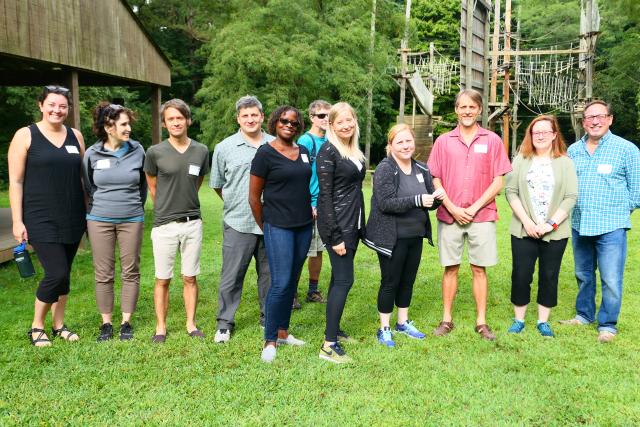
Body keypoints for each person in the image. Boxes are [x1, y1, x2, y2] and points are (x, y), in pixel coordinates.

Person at [427, 89, 512, 341]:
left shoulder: (493, 140)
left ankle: (481, 322)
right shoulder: (443, 141)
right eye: (462, 107)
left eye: (472, 107)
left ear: (480, 110)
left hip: (482, 215)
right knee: (450, 267)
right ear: (456, 110)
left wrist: (473, 208)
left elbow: (499, 181)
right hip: (449, 213)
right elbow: (434, 178)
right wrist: (452, 207)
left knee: (479, 269)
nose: (467, 111)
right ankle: (446, 319)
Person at [8, 85, 86, 346]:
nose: (57, 110)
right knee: (57, 272)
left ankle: (59, 324)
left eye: (63, 106)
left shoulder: (76, 135)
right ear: (41, 105)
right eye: (52, 104)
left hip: (73, 215)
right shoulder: (25, 135)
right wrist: (18, 221)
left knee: (65, 273)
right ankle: (36, 326)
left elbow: (82, 177)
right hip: (40, 217)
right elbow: (16, 182)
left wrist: (87, 213)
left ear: (68, 109)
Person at [561, 100, 640, 343]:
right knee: (583, 274)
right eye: (589, 117)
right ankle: (584, 315)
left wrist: (615, 212)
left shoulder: (627, 149)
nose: (595, 121)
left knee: (610, 278)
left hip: (611, 227)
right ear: (583, 122)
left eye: (600, 116)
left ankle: (607, 325)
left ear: (610, 119)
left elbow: (636, 191)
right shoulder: (574, 150)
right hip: (580, 223)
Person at [364, 124, 444, 348]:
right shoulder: (385, 169)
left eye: (408, 141)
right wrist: (418, 200)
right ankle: (384, 328)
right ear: (390, 146)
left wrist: (436, 197)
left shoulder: (422, 169)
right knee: (390, 282)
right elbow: (385, 203)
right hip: (392, 237)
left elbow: (428, 201)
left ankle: (403, 322)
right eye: (399, 142)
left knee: (408, 281)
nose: (405, 145)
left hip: (415, 235)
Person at [144, 99, 210, 343]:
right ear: (164, 123)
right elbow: (153, 186)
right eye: (170, 119)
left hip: (193, 223)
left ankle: (191, 324)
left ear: (188, 120)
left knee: (190, 277)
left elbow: (197, 181)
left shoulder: (201, 150)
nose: (175, 122)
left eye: (179, 118)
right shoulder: (155, 152)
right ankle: (160, 327)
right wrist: (167, 206)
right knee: (163, 278)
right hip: (164, 224)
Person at [505, 115, 577, 338]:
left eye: (546, 131)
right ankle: (519, 319)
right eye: (536, 132)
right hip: (523, 230)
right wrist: (527, 222)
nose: (541, 136)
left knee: (549, 275)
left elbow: (570, 196)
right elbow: (511, 191)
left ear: (555, 134)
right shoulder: (521, 160)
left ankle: (543, 321)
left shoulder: (565, 162)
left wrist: (549, 225)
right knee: (520, 275)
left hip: (554, 232)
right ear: (530, 135)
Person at [249, 105, 312, 363]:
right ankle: (270, 339)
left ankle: (284, 332)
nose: (289, 125)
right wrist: (267, 227)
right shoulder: (265, 154)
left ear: (299, 127)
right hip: (278, 226)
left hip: (304, 225)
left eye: (294, 123)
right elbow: (254, 198)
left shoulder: (305, 152)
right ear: (275, 123)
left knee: (293, 281)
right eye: (284, 120)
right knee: (280, 282)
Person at [210, 95, 273, 343]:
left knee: (270, 275)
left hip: (271, 222)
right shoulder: (224, 147)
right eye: (245, 115)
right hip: (238, 221)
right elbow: (217, 184)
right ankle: (224, 323)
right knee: (232, 275)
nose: (250, 119)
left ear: (262, 117)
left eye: (254, 114)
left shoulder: (274, 144)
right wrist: (235, 201)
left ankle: (269, 318)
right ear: (238, 118)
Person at [83, 102, 147, 342]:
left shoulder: (138, 150)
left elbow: (142, 186)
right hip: (99, 219)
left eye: (128, 123)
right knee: (103, 273)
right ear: (109, 127)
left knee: (131, 270)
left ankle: (126, 322)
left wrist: (135, 208)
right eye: (123, 124)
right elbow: (88, 185)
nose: (128, 127)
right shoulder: (91, 153)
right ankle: (106, 324)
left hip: (132, 218)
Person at [316, 102, 366, 363]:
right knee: (345, 281)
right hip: (337, 227)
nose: (346, 125)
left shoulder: (352, 149)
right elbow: (325, 197)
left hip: (352, 224)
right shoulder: (328, 151)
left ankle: (334, 330)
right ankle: (328, 345)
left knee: (338, 279)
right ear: (331, 125)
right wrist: (335, 236)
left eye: (350, 120)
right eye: (340, 122)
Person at [294, 100, 332, 307]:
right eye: (321, 116)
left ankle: (312, 290)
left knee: (317, 251)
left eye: (329, 116)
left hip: (325, 205)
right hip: (308, 205)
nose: (325, 119)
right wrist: (308, 203)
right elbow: (298, 174)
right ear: (311, 117)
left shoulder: (331, 140)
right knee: (301, 251)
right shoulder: (305, 142)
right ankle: (292, 293)